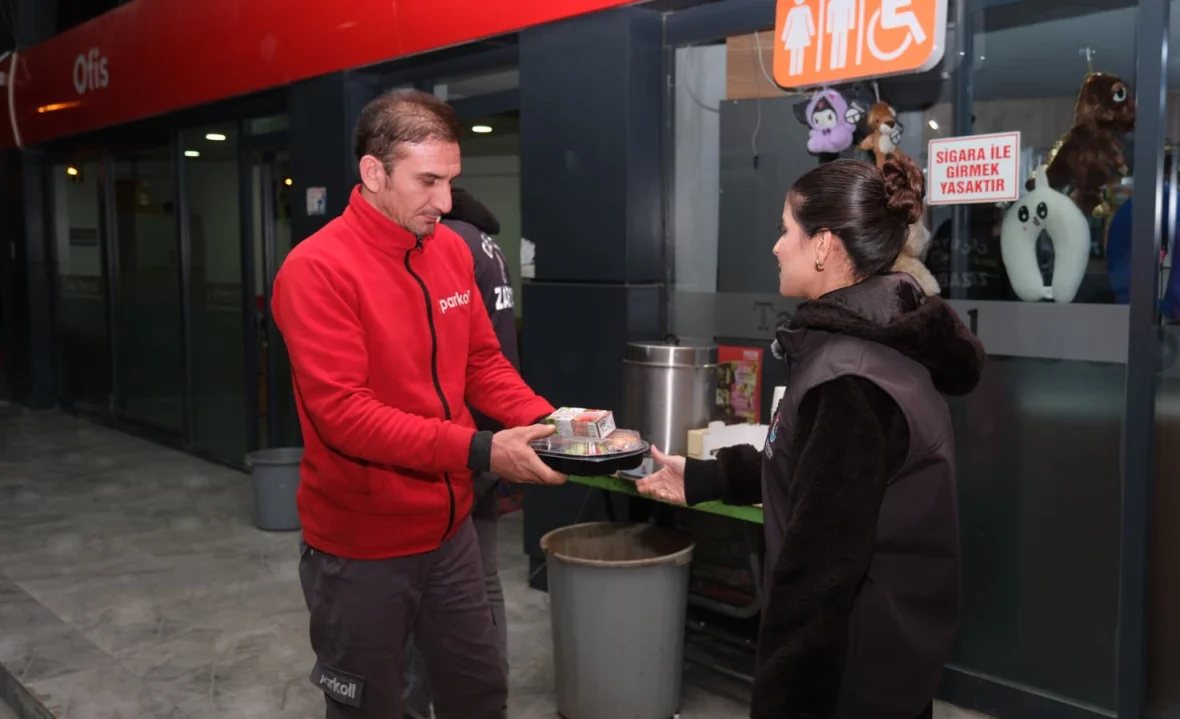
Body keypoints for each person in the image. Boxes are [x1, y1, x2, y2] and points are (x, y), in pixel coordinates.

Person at [637, 156, 984, 719]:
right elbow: (822, 470)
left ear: (823, 246)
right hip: (892, 661)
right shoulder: (877, 347)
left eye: (785, 229)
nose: (776, 246)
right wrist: (704, 476)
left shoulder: (850, 378)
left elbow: (819, 576)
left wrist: (781, 699)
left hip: (848, 679)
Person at [272, 88, 567, 719]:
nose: (445, 202)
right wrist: (484, 449)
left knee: (479, 691)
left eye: (452, 181)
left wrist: (548, 420)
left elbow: (482, 362)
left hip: (451, 532)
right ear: (374, 172)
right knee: (374, 707)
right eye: (428, 181)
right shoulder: (316, 269)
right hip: (359, 549)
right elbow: (345, 415)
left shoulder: (451, 251)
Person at [402, 186, 519, 718]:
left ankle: (451, 694)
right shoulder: (486, 243)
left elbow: (471, 360)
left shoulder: (448, 244)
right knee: (482, 576)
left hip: (464, 442)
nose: (436, 199)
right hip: (488, 435)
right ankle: (489, 686)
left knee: (434, 591)